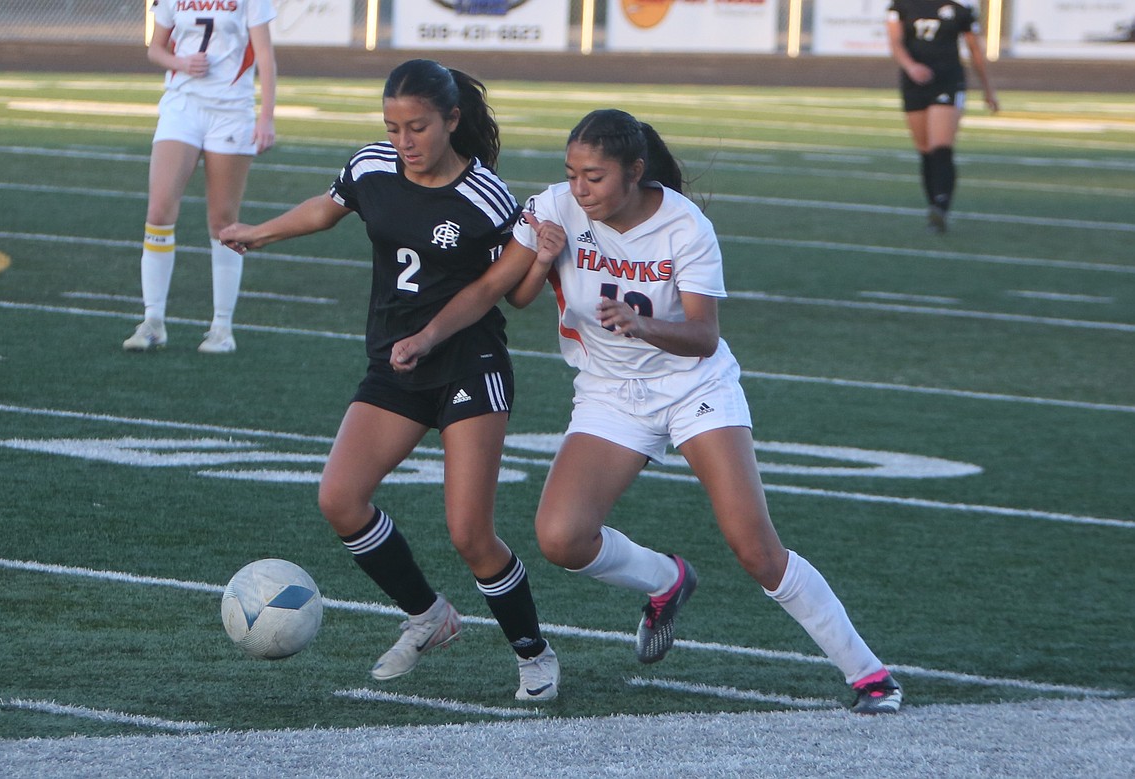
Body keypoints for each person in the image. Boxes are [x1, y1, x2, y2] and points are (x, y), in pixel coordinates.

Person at [391, 108, 902, 714]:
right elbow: (505, 293)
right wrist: (432, 332)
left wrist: (643, 325)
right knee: (562, 537)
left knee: (754, 548)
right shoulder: (556, 206)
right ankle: (666, 581)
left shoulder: (686, 227)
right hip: (609, 392)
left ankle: (869, 674)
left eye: (595, 177)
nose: (580, 189)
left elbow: (704, 336)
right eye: (572, 174)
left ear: (635, 172)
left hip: (693, 387)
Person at [218, 59, 558, 701]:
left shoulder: (487, 197)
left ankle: (534, 653)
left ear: (452, 121)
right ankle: (429, 616)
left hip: (467, 365)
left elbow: (497, 291)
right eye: (394, 126)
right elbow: (330, 206)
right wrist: (260, 234)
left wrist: (430, 336)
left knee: (470, 534)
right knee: (340, 499)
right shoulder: (373, 165)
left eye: (419, 127)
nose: (404, 141)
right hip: (396, 364)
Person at [123, 0, 278, 354]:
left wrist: (266, 116)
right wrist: (180, 62)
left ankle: (222, 327)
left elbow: (266, 56)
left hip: (230, 111)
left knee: (222, 221)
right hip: (182, 106)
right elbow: (155, 49)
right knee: (159, 210)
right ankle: (153, 321)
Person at [886, 0, 999, 233]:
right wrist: (911, 67)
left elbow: (974, 48)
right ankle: (933, 208)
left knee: (941, 147)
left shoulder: (960, 7)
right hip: (914, 83)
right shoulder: (902, 5)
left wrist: (988, 89)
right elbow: (896, 42)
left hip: (947, 80)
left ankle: (941, 206)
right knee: (925, 150)